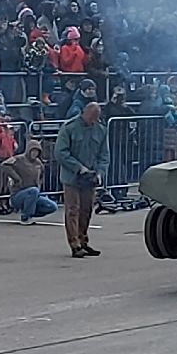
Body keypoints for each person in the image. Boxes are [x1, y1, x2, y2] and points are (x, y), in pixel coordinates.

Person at [54, 101, 108, 258]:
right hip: (72, 177)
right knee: (73, 210)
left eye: (96, 118)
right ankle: (75, 244)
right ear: (84, 112)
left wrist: (100, 173)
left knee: (86, 210)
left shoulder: (101, 130)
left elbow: (104, 155)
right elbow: (61, 152)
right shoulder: (69, 127)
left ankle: (83, 240)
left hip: (90, 177)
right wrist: (78, 167)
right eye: (91, 117)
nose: (93, 121)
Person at [3, 141, 58, 224]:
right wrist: (16, 178)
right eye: (33, 151)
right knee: (33, 190)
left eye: (37, 151)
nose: (35, 153)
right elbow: (5, 165)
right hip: (18, 194)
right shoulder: (18, 159)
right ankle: (25, 217)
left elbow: (42, 174)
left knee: (52, 206)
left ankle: (29, 211)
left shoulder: (39, 163)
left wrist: (39, 183)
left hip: (34, 195)